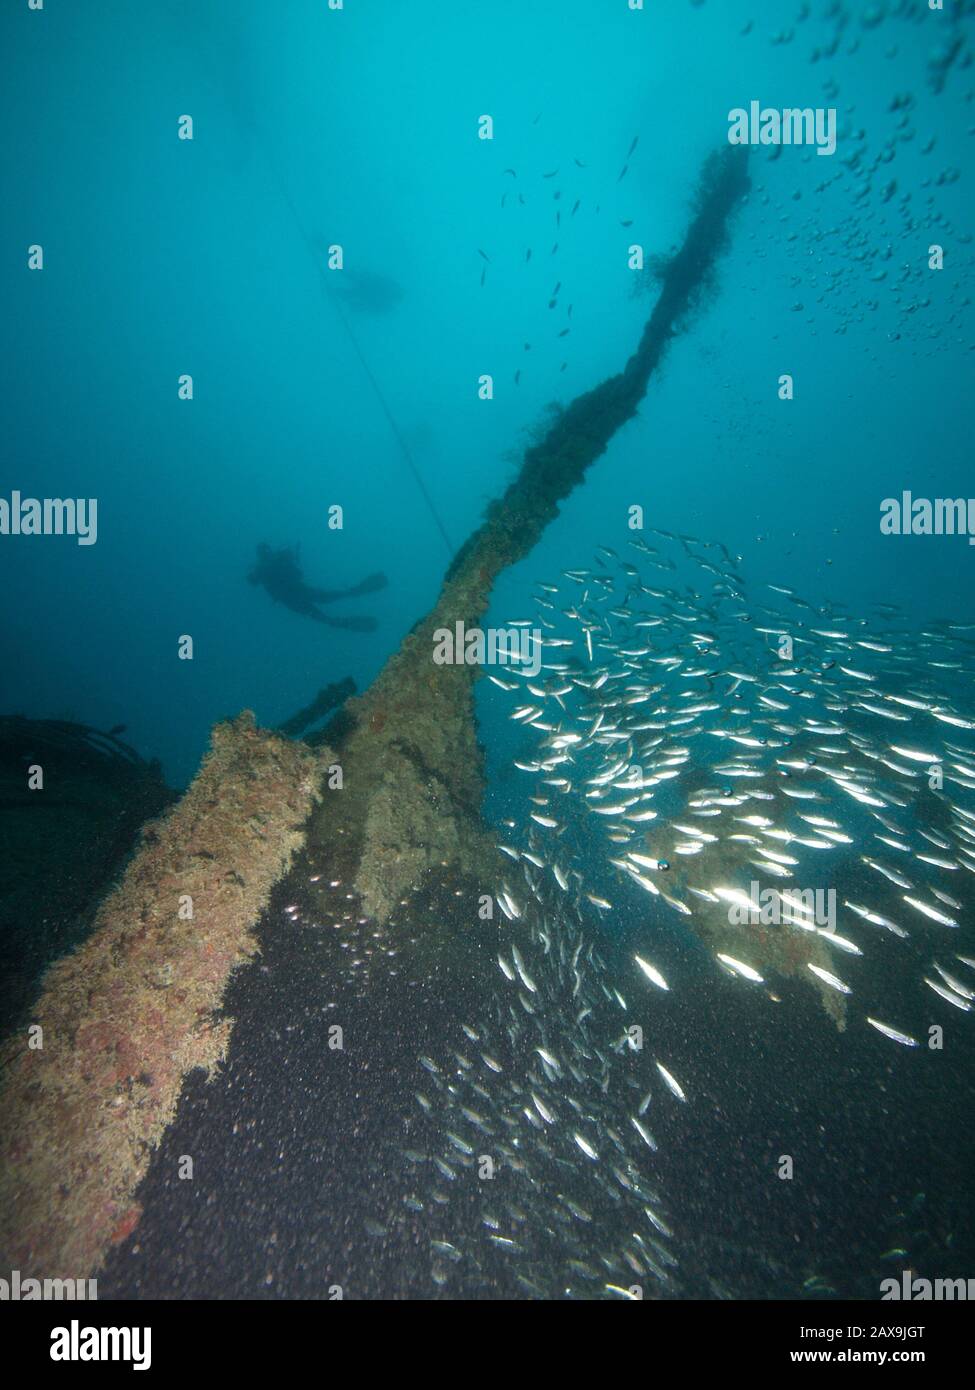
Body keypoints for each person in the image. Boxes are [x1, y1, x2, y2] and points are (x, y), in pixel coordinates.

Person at [248, 544, 387, 632]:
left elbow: (253, 581)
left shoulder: (263, 567)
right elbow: (297, 573)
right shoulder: (268, 564)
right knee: (323, 601)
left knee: (318, 610)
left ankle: (341, 613)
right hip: (297, 592)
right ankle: (351, 594)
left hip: (291, 597)